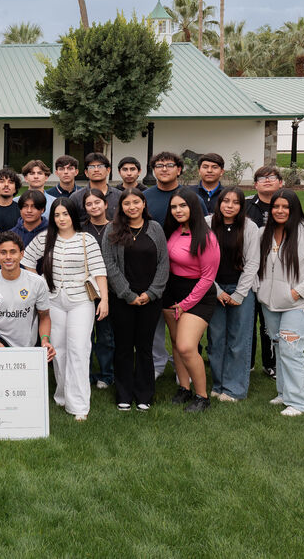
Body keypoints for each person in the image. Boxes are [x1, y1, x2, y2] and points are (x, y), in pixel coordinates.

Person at [22, 198, 108, 421]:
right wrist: (39, 282)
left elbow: (99, 270)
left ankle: (79, 405)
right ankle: (62, 395)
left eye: (65, 214)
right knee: (58, 349)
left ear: (73, 216)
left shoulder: (86, 239)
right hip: (53, 300)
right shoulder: (45, 238)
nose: (61, 219)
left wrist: (105, 300)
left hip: (81, 301)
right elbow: (27, 260)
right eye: (57, 215)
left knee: (79, 349)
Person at [257, 189, 304, 416]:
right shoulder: (264, 234)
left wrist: (296, 293)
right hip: (271, 303)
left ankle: (300, 403)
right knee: (279, 347)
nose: (280, 211)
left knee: (292, 349)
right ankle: (284, 394)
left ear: (294, 209)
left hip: (301, 304)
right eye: (276, 207)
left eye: (285, 207)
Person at [100, 189, 169, 411]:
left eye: (136, 202)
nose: (132, 206)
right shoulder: (112, 229)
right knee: (123, 347)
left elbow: (163, 264)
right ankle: (123, 393)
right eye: (127, 203)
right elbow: (109, 264)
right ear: (121, 206)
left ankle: (144, 394)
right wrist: (127, 294)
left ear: (143, 204)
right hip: (122, 299)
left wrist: (151, 293)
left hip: (151, 299)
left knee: (145, 347)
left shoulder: (155, 228)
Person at [162, 189, 219, 413]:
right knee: (176, 343)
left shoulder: (206, 237)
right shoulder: (174, 231)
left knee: (187, 346)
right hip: (171, 291)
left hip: (197, 295)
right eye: (174, 207)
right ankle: (184, 388)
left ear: (193, 208)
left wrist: (185, 304)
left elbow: (208, 277)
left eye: (183, 206)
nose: (178, 211)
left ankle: (202, 396)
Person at [206, 188, 260, 402]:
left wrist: (239, 293)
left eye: (235, 202)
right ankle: (219, 385)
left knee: (239, 340)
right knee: (216, 338)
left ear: (241, 206)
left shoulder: (249, 227)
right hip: (213, 289)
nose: (230, 206)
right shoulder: (207, 223)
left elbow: (253, 262)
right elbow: (202, 261)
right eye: (225, 201)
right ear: (219, 203)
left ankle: (234, 389)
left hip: (242, 289)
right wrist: (217, 290)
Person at [0, 232, 55, 361]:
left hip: (25, 343)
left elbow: (44, 317)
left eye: (13, 252)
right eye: (3, 252)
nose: (8, 257)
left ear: (21, 254)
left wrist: (45, 340)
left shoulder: (37, 282)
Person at [142, 151, 184, 379]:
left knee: (183, 322)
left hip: (183, 271)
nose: (164, 169)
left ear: (179, 169)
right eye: (159, 165)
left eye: (169, 165)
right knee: (154, 322)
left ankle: (183, 366)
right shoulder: (145, 197)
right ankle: (157, 363)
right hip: (151, 270)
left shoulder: (189, 197)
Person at [245, 164, 283, 380]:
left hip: (276, 274)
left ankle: (272, 364)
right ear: (255, 184)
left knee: (270, 322)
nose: (267, 180)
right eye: (262, 178)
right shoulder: (246, 205)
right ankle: (247, 362)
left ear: (280, 182)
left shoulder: (285, 205)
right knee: (248, 320)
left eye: (272, 177)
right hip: (249, 272)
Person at [79, 189, 114, 391]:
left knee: (106, 335)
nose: (94, 207)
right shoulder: (81, 230)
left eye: (97, 202)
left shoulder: (116, 228)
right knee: (84, 334)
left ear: (106, 204)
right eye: (89, 204)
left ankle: (106, 374)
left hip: (109, 288)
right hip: (85, 288)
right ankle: (86, 373)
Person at [70, 153, 122, 218]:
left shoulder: (119, 196)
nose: (96, 170)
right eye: (91, 167)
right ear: (86, 173)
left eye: (100, 166)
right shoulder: (76, 198)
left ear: (108, 170)